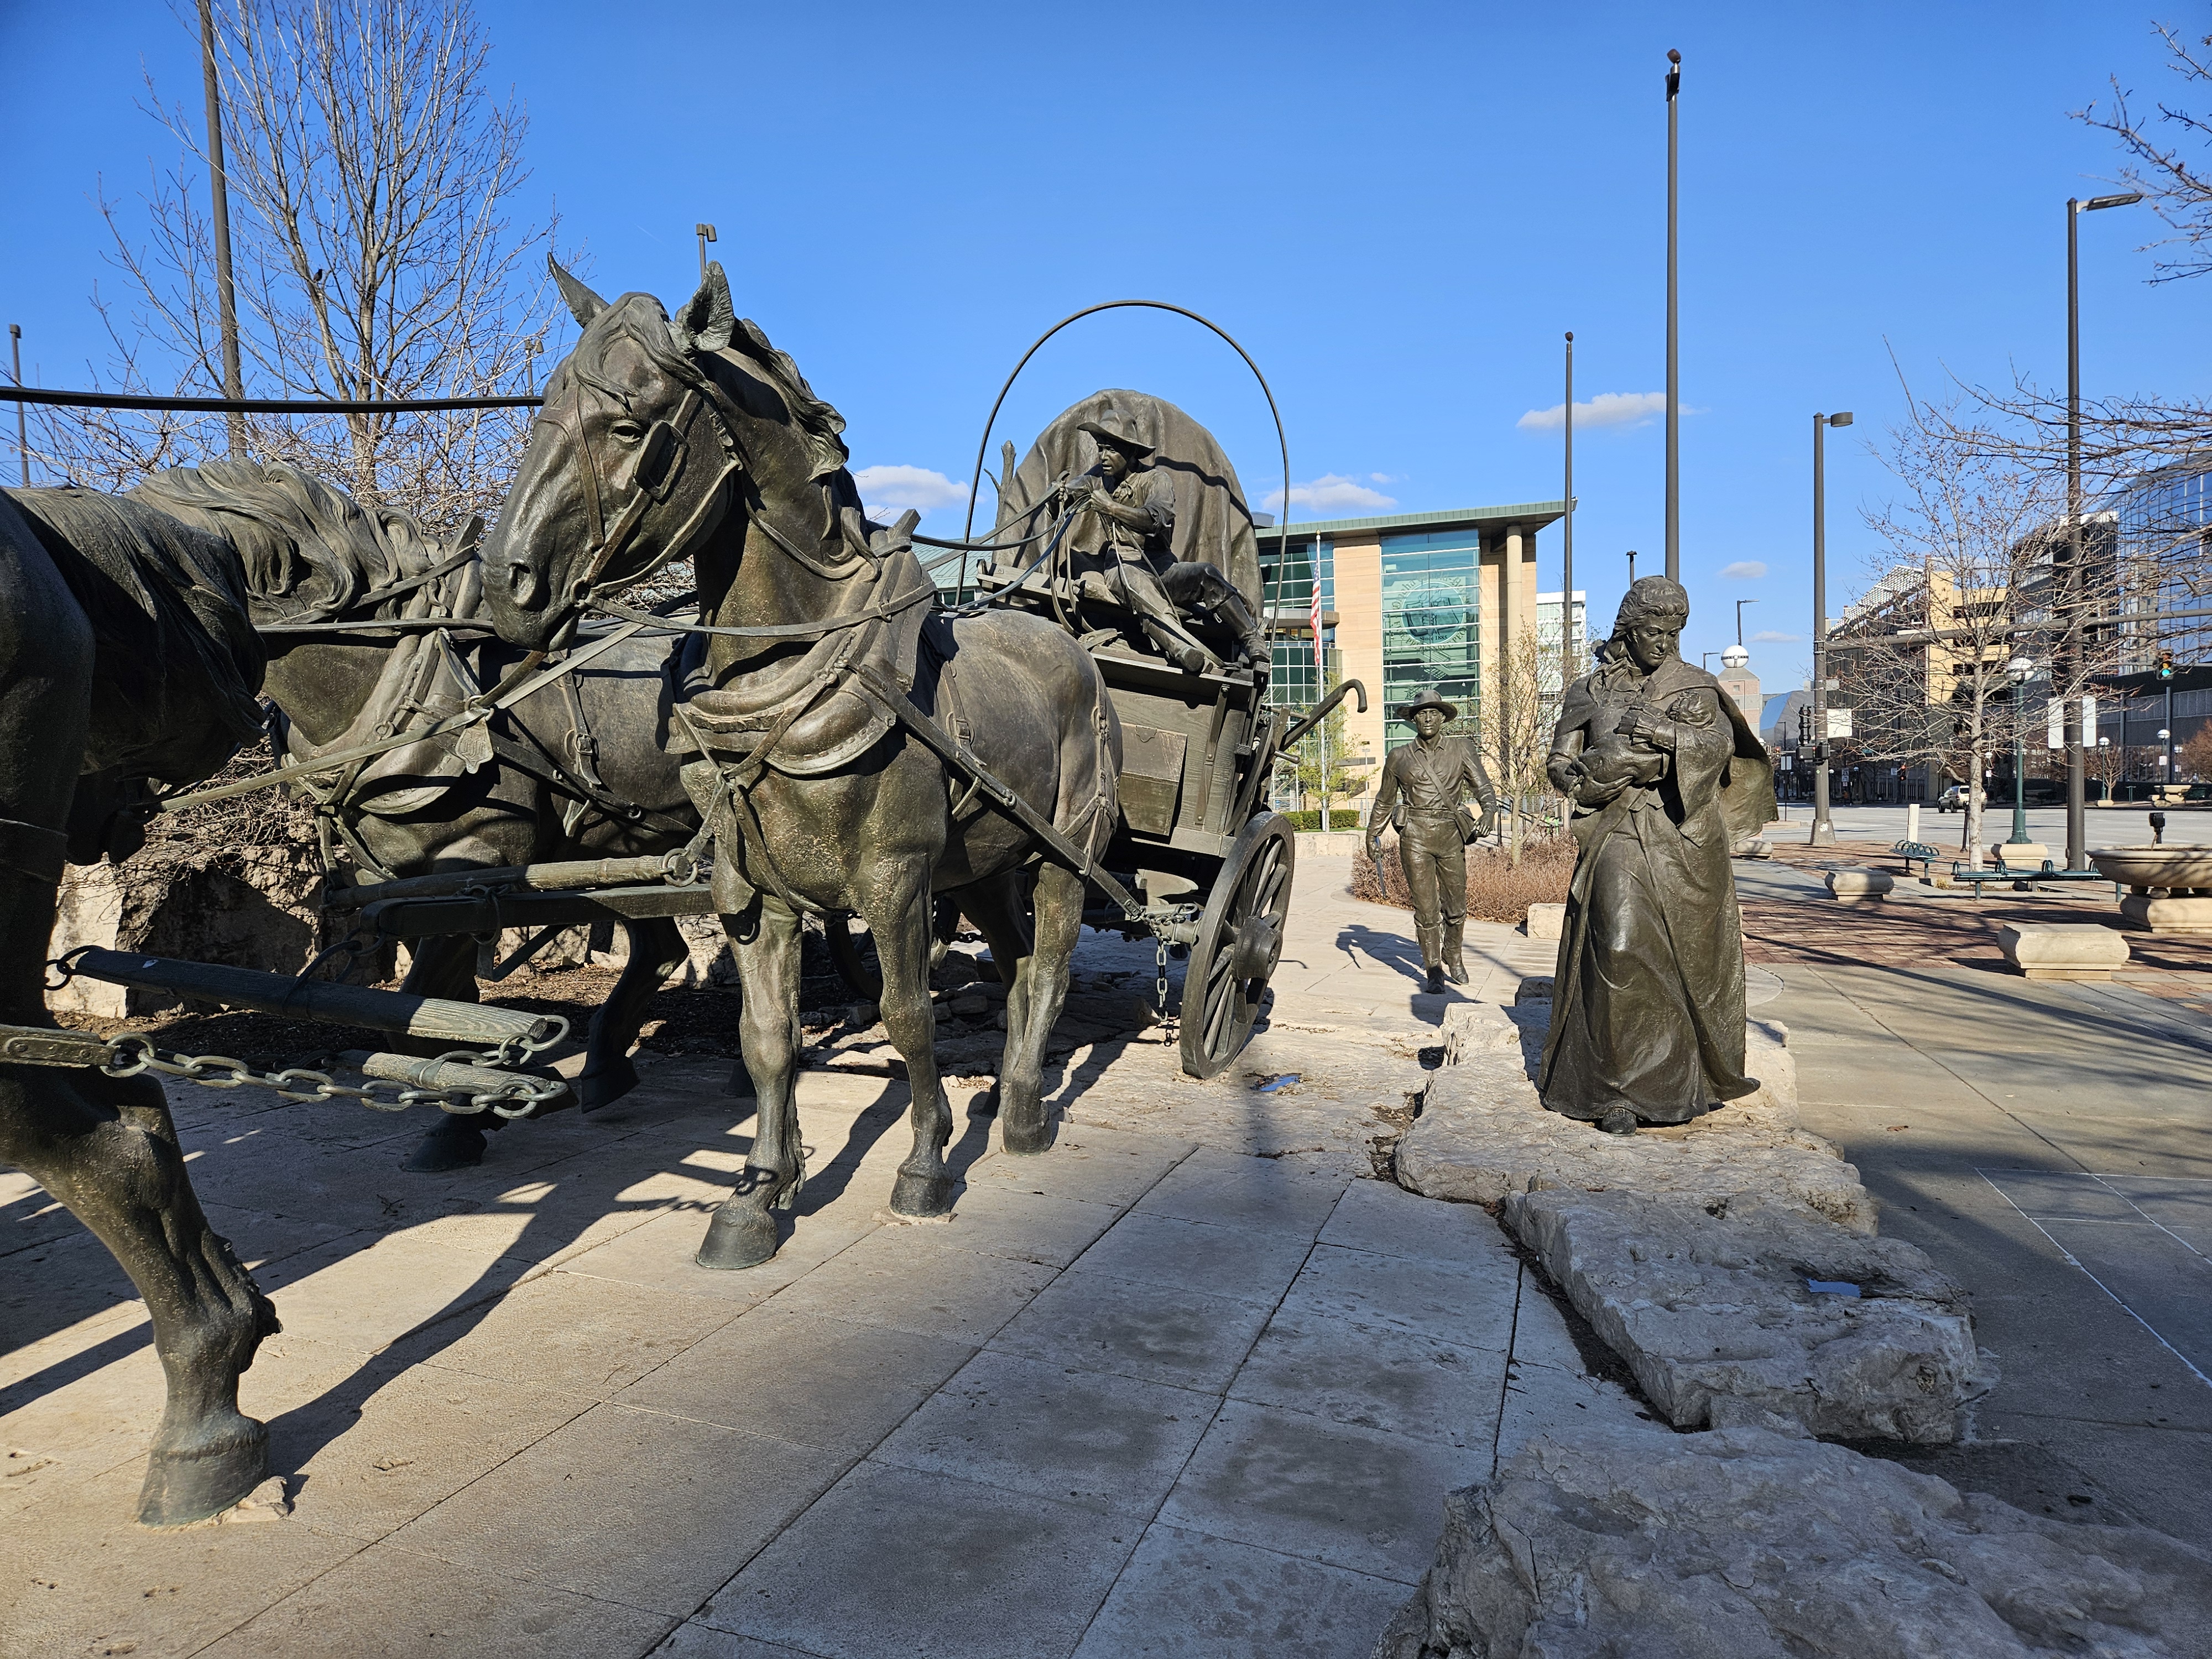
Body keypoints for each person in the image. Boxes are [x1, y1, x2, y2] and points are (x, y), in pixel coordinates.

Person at [1538, 576, 1769, 1134]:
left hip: (1682, 837)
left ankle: (1680, 1078)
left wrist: (1660, 740)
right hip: (1616, 826)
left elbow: (1719, 751)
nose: (1663, 643)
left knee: (1679, 957)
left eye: (1672, 633)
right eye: (1652, 632)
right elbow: (1557, 758)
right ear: (1627, 630)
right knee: (1618, 945)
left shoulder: (1695, 686)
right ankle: (1616, 1089)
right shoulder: (1589, 690)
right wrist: (1574, 778)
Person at [1060, 404, 1268, 674]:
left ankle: (1252, 639)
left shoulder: (1156, 480)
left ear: (1132, 452)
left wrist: (1111, 508)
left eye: (1111, 449)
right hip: (1121, 565)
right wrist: (1061, 493)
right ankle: (1182, 649)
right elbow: (1071, 491)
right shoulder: (1097, 480)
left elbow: (1154, 519)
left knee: (1206, 572)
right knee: (1135, 584)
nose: (1103, 456)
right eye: (1100, 448)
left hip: (1162, 567)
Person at [1364, 687, 1498, 992]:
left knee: (1456, 905)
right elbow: (1385, 800)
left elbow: (1484, 787)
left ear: (1442, 718)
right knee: (1425, 909)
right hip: (1415, 836)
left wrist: (1489, 813)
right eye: (1421, 713)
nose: (1427, 718)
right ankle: (1433, 968)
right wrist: (1373, 834)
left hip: (1451, 835)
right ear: (1413, 720)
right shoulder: (1398, 756)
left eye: (1432, 713)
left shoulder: (1461, 748)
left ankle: (1454, 953)